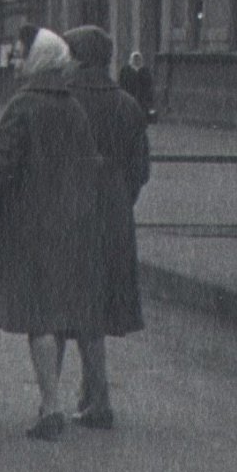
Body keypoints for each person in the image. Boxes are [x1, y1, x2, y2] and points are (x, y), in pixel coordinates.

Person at [0, 27, 103, 442]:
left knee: (40, 316)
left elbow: (0, 165)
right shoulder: (75, 109)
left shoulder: (23, 107)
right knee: (55, 311)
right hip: (70, 224)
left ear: (38, 60)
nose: (15, 61)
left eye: (21, 54)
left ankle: (51, 406)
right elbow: (89, 167)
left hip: (29, 225)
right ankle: (52, 401)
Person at [60, 26, 149, 430]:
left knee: (65, 303)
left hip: (68, 210)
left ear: (77, 56)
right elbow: (141, 169)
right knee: (95, 301)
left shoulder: (63, 99)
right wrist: (120, 199)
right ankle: (88, 393)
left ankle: (92, 399)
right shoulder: (127, 104)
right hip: (113, 212)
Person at [117, 50, 155, 123]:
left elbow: (148, 84)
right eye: (135, 59)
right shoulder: (126, 70)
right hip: (129, 93)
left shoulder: (145, 70)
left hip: (142, 96)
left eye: (138, 59)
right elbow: (122, 82)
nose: (137, 61)